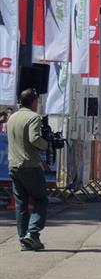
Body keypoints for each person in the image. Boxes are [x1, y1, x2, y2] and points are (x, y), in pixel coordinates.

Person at [9, 88, 51, 251]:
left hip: (14, 165)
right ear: (33, 101)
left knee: (21, 204)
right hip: (30, 166)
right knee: (41, 199)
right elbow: (34, 138)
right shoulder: (34, 117)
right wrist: (47, 145)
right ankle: (32, 233)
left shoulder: (12, 117)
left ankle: (23, 239)